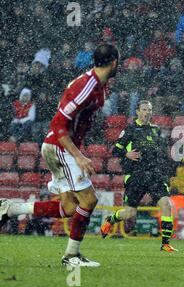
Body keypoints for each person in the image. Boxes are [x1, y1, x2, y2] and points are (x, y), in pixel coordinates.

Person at [0, 44, 120, 267]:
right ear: (113, 62)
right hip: (60, 146)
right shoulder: (88, 85)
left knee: (69, 208)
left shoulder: (96, 85)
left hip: (58, 145)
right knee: (89, 199)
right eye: (118, 62)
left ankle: (10, 208)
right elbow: (57, 123)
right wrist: (79, 156)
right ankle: (71, 256)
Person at [100, 100, 178, 252]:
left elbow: (161, 153)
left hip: (155, 175)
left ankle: (165, 244)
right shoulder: (130, 129)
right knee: (130, 212)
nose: (147, 112)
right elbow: (115, 150)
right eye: (144, 109)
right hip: (136, 175)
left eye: (149, 110)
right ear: (137, 111)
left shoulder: (156, 130)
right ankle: (110, 220)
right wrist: (126, 154)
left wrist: (163, 169)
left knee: (166, 204)